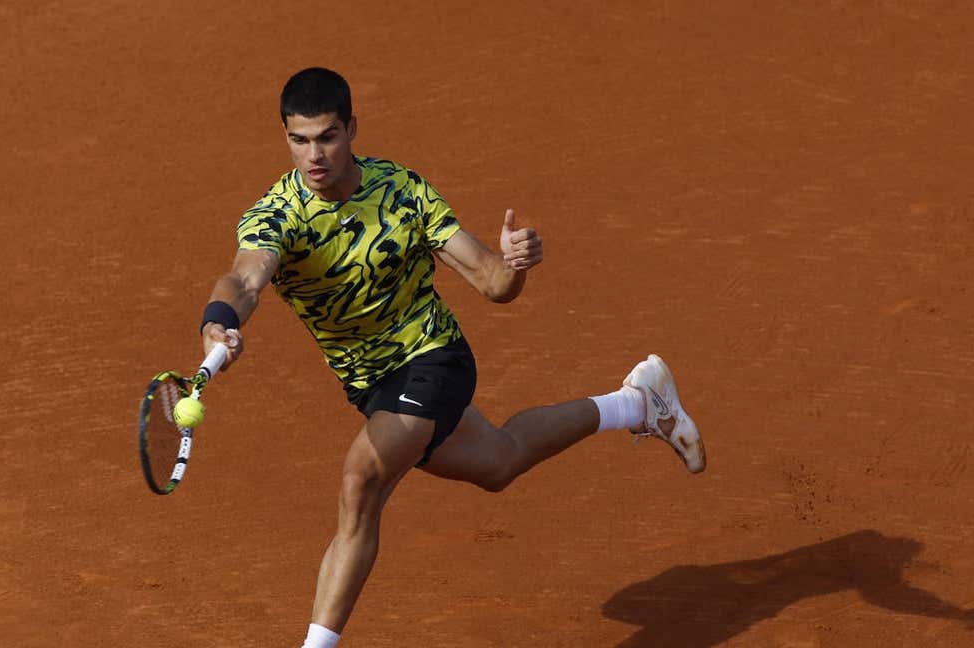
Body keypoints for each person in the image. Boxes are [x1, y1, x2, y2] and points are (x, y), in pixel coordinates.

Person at [196, 67, 706, 648]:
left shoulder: (402, 192)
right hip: (373, 386)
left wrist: (512, 264)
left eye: (328, 136)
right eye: (300, 139)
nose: (315, 154)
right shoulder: (275, 216)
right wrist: (220, 323)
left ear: (352, 129)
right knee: (499, 462)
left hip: (434, 357)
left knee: (361, 479)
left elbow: (490, 282)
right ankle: (639, 402)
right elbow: (244, 279)